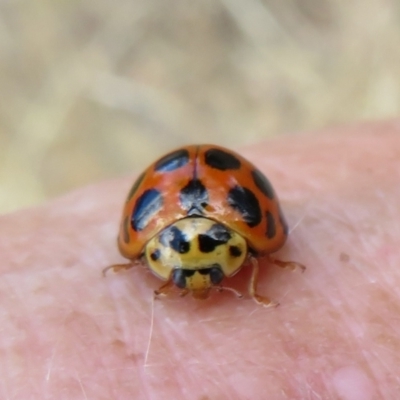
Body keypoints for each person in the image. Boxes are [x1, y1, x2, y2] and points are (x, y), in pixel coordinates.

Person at [1, 120, 398, 399]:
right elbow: (258, 246)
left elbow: (262, 250)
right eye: (185, 272)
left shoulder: (238, 241)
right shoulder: (173, 237)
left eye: (198, 271)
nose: (198, 282)